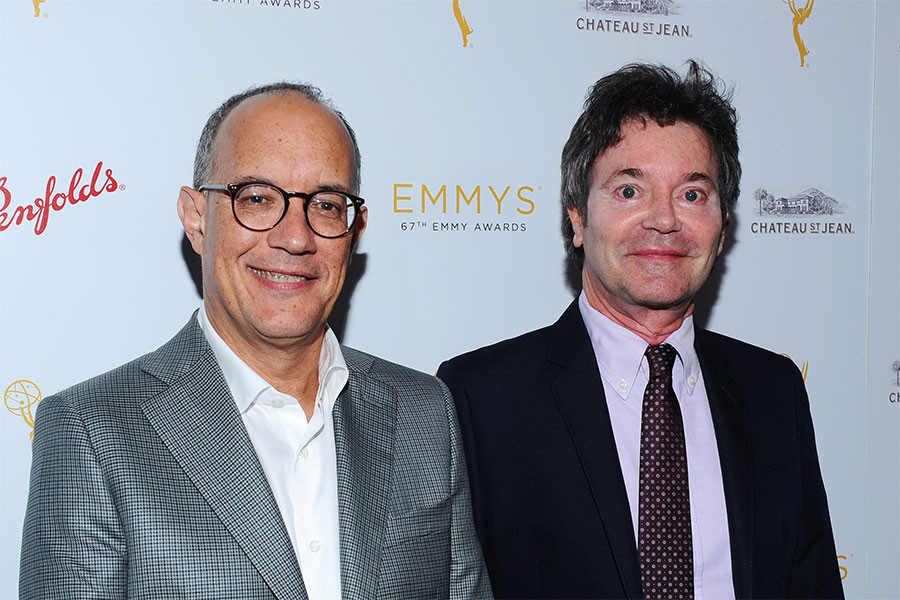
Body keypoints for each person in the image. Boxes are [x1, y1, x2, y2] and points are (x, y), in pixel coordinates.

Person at [20, 83, 492, 599]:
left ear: (354, 230)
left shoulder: (424, 412)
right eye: (258, 199)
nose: (296, 237)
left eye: (327, 205)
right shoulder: (91, 433)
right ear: (197, 219)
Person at [437, 62, 843, 599]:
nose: (664, 219)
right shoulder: (477, 399)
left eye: (693, 194)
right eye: (630, 190)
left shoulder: (774, 390)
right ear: (578, 217)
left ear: (723, 228)